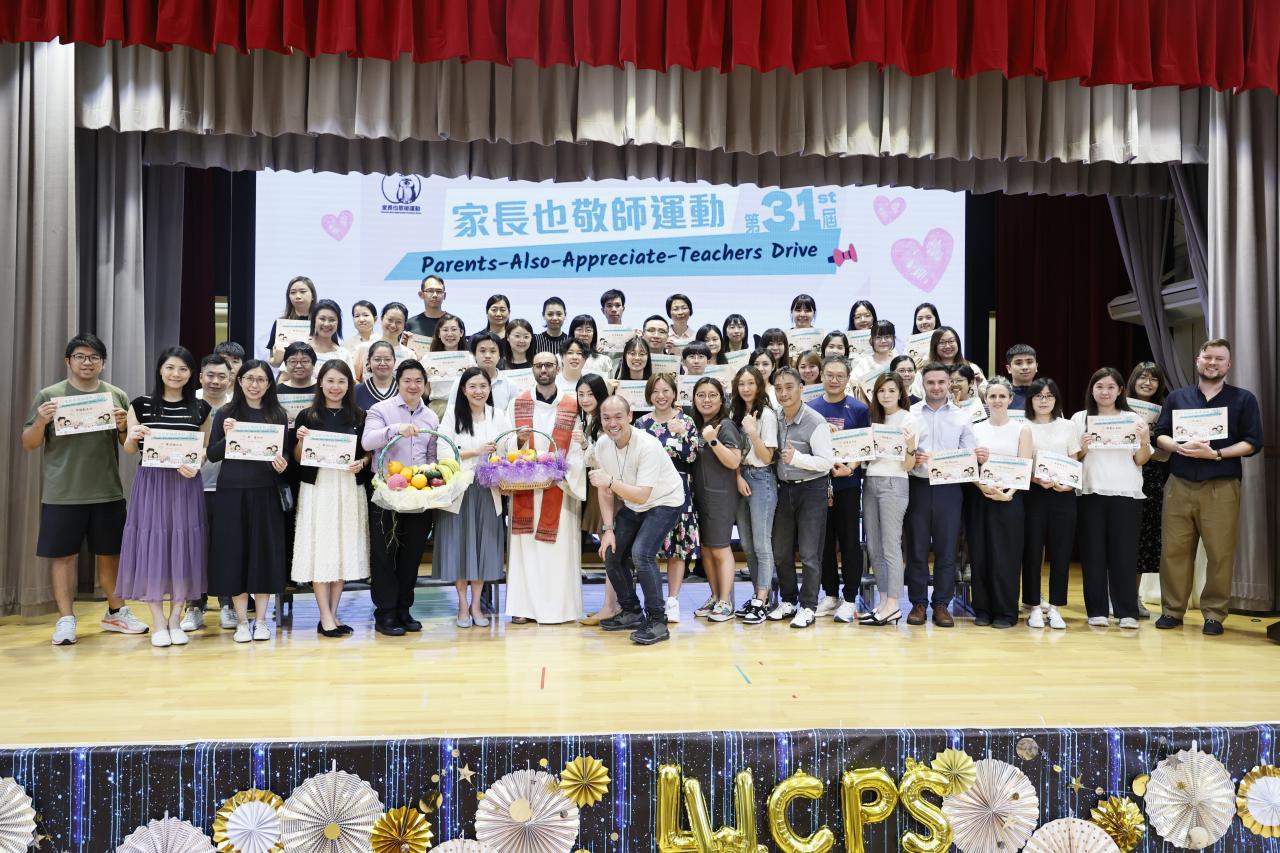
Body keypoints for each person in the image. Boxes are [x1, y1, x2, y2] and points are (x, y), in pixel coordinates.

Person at [23, 333, 145, 646]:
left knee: (110, 555)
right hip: (63, 493)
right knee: (63, 557)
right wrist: (40, 421)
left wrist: (123, 426)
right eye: (80, 356)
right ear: (68, 361)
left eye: (94, 357)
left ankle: (116, 612)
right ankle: (66, 619)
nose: (87, 362)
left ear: (103, 363)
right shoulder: (50, 396)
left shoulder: (116, 395)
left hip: (107, 491)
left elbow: (129, 446)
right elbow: (29, 443)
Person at [1153, 339, 1263, 635]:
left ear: (1228, 364)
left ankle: (1214, 615)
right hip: (1179, 483)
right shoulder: (1177, 397)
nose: (1212, 363)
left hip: (1221, 485)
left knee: (1220, 553)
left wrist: (1215, 454)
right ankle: (1172, 610)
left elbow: (1253, 442)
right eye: (1207, 357)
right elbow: (1160, 434)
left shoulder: (1243, 399)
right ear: (1198, 361)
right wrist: (1177, 447)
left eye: (1219, 358)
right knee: (1174, 550)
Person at [118, 347, 211, 648]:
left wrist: (197, 463)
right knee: (153, 545)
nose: (176, 374)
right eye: (170, 367)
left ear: (191, 374)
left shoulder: (201, 408)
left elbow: (204, 450)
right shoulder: (140, 404)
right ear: (160, 370)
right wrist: (132, 437)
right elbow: (129, 450)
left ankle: (175, 619)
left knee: (184, 546)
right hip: (152, 484)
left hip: (186, 484)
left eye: (183, 369)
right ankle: (158, 620)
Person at [206, 360, 291, 643]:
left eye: (261, 379)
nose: (255, 385)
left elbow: (285, 454)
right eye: (249, 379)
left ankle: (262, 620)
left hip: (265, 493)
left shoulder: (277, 414)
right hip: (231, 493)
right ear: (239, 381)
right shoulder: (226, 413)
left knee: (263, 554)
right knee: (235, 554)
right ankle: (242, 621)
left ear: (269, 384)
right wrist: (228, 435)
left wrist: (282, 463)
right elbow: (213, 454)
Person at [592, 396, 687, 645]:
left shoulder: (647, 445)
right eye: (606, 418)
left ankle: (658, 620)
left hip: (665, 500)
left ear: (630, 416)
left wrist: (610, 482)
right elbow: (604, 491)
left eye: (618, 417)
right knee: (612, 553)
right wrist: (608, 529)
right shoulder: (602, 445)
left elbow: (641, 494)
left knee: (641, 553)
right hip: (634, 504)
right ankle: (632, 611)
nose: (612, 423)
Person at [504, 351, 587, 624]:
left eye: (549, 365)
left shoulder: (572, 405)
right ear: (532, 369)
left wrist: (562, 472)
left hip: (560, 488)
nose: (543, 369)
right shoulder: (518, 403)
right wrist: (518, 441)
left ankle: (559, 609)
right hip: (525, 487)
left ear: (557, 368)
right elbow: (504, 442)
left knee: (558, 552)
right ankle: (524, 608)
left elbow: (578, 445)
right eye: (538, 365)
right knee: (525, 551)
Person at [291, 360, 370, 637]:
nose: (336, 387)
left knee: (342, 550)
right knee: (320, 549)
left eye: (341, 381)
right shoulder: (307, 415)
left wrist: (362, 463)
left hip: (348, 486)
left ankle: (333, 614)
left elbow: (367, 453)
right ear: (321, 382)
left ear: (350, 385)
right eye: (331, 380)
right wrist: (301, 441)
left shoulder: (359, 416)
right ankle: (325, 617)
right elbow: (298, 459)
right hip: (318, 488)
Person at [362, 360, 440, 635]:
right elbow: (367, 442)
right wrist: (395, 429)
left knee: (412, 554)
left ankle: (404, 608)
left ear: (425, 384)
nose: (413, 386)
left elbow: (431, 456)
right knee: (384, 554)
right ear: (398, 382)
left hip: (418, 494)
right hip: (385, 493)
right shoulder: (380, 410)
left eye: (418, 381)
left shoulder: (430, 417)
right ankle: (385, 613)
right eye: (407, 380)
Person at [1072, 367, 1151, 628]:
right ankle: (1096, 610)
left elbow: (1140, 460)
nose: (1104, 392)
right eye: (1099, 387)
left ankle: (1126, 611)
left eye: (1110, 387)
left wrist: (1144, 440)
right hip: (1090, 491)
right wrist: (1083, 448)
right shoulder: (1080, 418)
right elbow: (1072, 459)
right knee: (1093, 553)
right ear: (1091, 390)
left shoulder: (1132, 418)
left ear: (1120, 391)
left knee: (1124, 554)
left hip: (1126, 492)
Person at [437, 367, 513, 628]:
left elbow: (507, 450)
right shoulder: (452, 414)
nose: (478, 391)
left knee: (483, 549)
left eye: (483, 386)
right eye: (473, 386)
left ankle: (476, 605)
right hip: (460, 491)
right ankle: (461, 605)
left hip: (488, 490)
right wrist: (475, 452)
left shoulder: (498, 415)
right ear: (463, 389)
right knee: (461, 550)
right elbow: (443, 452)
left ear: (490, 389)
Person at [905, 362, 977, 628]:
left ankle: (942, 604)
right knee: (917, 548)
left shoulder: (962, 417)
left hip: (949, 489)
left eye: (941, 382)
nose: (936, 387)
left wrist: (948, 459)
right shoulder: (909, 414)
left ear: (949, 384)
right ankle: (918, 603)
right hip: (918, 486)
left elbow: (970, 455)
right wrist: (911, 456)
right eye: (930, 382)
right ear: (922, 384)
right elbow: (901, 451)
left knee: (947, 550)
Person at [767, 367, 835, 628]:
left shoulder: (816, 421)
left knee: (809, 553)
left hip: (812, 490)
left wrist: (797, 458)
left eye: (789, 387)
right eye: (778, 388)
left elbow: (826, 463)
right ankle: (788, 600)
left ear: (801, 388)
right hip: (783, 489)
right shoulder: (774, 417)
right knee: (781, 551)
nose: (784, 393)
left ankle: (808, 606)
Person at [807, 357, 869, 622]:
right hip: (818, 485)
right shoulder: (811, 408)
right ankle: (830, 595)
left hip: (847, 485)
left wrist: (851, 468)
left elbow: (865, 446)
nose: (834, 380)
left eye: (839, 376)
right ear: (821, 375)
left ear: (847, 378)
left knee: (849, 542)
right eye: (829, 375)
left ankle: (850, 597)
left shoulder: (859, 409)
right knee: (824, 543)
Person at [634, 373, 700, 623]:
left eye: (665, 391)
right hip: (649, 492)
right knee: (648, 549)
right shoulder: (641, 424)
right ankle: (653, 602)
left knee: (677, 549)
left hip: (679, 490)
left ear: (674, 393)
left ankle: (673, 601)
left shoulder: (686, 420)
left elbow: (692, 456)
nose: (660, 396)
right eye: (655, 391)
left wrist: (680, 435)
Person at [970, 377, 1034, 628]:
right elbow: (968, 465)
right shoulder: (975, 428)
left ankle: (1006, 612)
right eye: (992, 396)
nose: (997, 401)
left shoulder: (1022, 429)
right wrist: (981, 486)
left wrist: (1009, 493)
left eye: (1002, 396)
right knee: (981, 554)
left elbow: (1025, 466)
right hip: (981, 496)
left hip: (1010, 498)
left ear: (1010, 399)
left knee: (1006, 556)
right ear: (985, 399)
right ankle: (983, 610)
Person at [182, 352, 235, 632]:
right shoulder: (186, 402)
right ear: (200, 376)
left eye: (222, 376)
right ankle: (194, 605)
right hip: (191, 487)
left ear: (231, 378)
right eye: (210, 375)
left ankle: (228, 604)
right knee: (193, 549)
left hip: (228, 488)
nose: (215, 381)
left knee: (226, 548)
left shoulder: (239, 404)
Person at [861, 373, 918, 626]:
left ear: (900, 393)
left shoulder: (908, 419)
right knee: (874, 546)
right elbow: (865, 456)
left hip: (895, 482)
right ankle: (883, 602)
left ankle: (894, 605)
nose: (886, 395)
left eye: (891, 390)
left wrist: (910, 446)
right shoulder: (873, 418)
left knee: (890, 545)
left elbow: (908, 465)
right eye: (881, 391)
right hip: (870, 481)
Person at [1021, 378, 1078, 630]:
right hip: (1033, 493)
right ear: (1030, 400)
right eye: (1038, 396)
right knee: (1032, 551)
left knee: (1061, 552)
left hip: (1063, 494)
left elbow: (1075, 460)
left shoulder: (1068, 426)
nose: (1044, 401)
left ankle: (1055, 607)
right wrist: (1034, 479)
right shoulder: (1022, 426)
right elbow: (1021, 463)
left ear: (1056, 399)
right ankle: (1033, 606)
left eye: (1049, 396)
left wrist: (1070, 485)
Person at [689, 377, 744, 622]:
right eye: (701, 395)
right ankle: (714, 596)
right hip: (698, 495)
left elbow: (733, 461)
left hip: (720, 495)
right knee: (706, 549)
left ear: (722, 400)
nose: (706, 400)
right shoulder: (694, 424)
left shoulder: (726, 425)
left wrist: (712, 439)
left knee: (720, 548)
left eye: (712, 395)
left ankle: (726, 601)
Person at [730, 365, 778, 624]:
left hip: (762, 479)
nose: (746, 388)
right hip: (740, 478)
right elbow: (734, 452)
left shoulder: (767, 415)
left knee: (761, 543)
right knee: (747, 545)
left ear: (759, 385)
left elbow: (767, 457)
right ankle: (759, 597)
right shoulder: (735, 412)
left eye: (751, 383)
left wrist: (751, 431)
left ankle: (762, 598)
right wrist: (737, 476)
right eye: (741, 384)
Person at [1127, 361, 1170, 618]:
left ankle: (1134, 597)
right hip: (1119, 476)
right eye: (1142, 377)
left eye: (1153, 379)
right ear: (1133, 380)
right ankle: (1110, 596)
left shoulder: (1166, 412)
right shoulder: (1117, 407)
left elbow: (1166, 455)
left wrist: (1145, 444)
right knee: (1116, 537)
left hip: (1150, 480)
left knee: (1142, 540)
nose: (1147, 383)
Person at [575, 374, 618, 625]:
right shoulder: (591, 419)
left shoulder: (605, 421)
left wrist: (583, 445)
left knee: (611, 548)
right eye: (581, 394)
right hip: (597, 487)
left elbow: (602, 460)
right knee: (608, 548)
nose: (585, 399)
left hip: (609, 489)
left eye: (590, 394)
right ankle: (612, 604)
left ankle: (611, 606)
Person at [427, 313, 476, 418]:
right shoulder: (428, 359)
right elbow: (424, 389)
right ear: (439, 333)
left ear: (461, 333)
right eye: (445, 330)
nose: (449, 334)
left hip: (464, 406)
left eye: (454, 329)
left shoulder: (470, 359)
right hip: (437, 408)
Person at [354, 302, 415, 382]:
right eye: (390, 320)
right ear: (381, 319)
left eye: (399, 322)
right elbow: (355, 379)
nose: (393, 325)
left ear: (404, 325)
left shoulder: (409, 354)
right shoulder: (364, 348)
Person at [267, 275, 316, 366]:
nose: (297, 296)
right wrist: (277, 360)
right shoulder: (280, 323)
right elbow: (273, 361)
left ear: (312, 295)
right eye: (293, 292)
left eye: (302, 292)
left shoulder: (321, 323)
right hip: (288, 373)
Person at [469, 332, 518, 412]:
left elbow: (515, 414)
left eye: (493, 351)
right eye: (482, 351)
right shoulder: (461, 382)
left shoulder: (510, 385)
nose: (487, 356)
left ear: (499, 355)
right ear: (474, 355)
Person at [307, 299, 352, 382]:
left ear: (338, 323)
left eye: (332, 320)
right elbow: (284, 379)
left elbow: (351, 384)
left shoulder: (344, 354)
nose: (326, 324)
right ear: (314, 320)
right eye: (322, 319)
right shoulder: (302, 350)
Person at [851, 320, 898, 398]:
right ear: (872, 340)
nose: (883, 341)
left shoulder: (897, 363)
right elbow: (853, 385)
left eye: (887, 337)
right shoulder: (864, 363)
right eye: (878, 337)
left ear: (893, 338)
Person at [355, 341, 399, 410]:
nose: (382, 363)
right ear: (369, 362)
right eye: (377, 359)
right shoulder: (356, 391)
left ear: (394, 361)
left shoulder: (403, 389)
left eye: (387, 359)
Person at [1006, 344, 1039, 409]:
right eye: (1018, 363)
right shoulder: (1001, 396)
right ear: (1009, 369)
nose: (1025, 367)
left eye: (1029, 362)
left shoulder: (1047, 395)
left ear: (1036, 367)